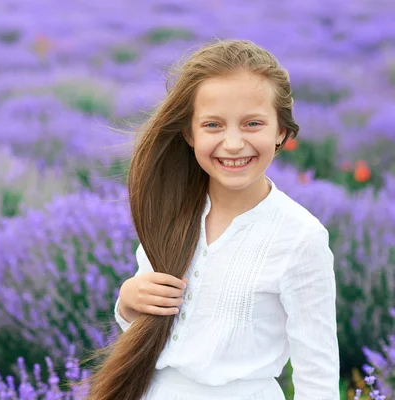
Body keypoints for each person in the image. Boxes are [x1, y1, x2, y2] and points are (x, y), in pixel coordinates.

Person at [87, 39, 340, 400]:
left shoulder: (300, 237)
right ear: (190, 133)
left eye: (253, 123)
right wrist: (127, 302)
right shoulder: (172, 210)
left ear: (281, 131)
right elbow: (154, 331)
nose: (233, 143)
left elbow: (318, 376)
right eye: (213, 125)